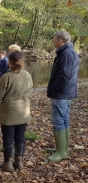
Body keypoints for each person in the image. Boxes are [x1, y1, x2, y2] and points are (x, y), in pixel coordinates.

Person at [0, 51, 33, 172]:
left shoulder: (7, 76)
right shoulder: (27, 75)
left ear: (10, 62)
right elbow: (30, 90)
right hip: (24, 111)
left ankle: (8, 164)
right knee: (20, 137)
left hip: (9, 112)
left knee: (8, 138)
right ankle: (19, 162)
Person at [46, 31, 80, 162]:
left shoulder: (66, 53)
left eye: (54, 39)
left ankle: (61, 152)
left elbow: (65, 75)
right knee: (64, 120)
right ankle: (63, 149)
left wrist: (54, 88)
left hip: (62, 93)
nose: (53, 41)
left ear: (60, 40)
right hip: (66, 93)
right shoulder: (69, 52)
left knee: (59, 121)